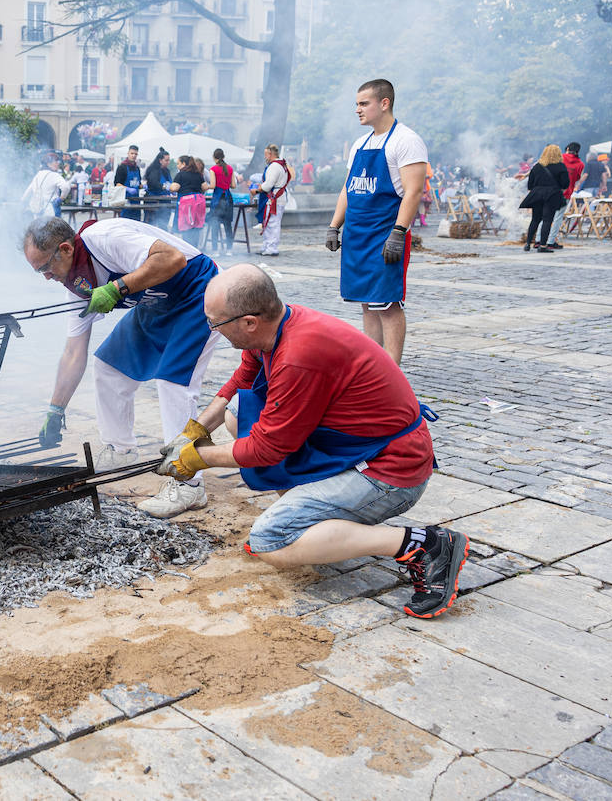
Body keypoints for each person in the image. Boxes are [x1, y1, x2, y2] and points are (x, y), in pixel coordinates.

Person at [153, 264, 467, 619]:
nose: (211, 328)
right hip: (355, 445)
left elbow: (266, 449)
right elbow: (242, 379)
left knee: (270, 541)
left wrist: (197, 459)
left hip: (390, 470)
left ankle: (425, 545)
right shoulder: (278, 327)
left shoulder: (298, 356)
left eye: (215, 322)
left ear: (249, 322)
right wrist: (193, 430)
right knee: (237, 414)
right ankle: (316, 525)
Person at [24, 216, 219, 518]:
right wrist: (55, 409)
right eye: (38, 272)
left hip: (197, 292)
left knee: (173, 383)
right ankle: (121, 452)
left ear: (64, 249)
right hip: (156, 305)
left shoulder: (105, 237)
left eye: (45, 268)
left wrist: (117, 287)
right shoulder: (76, 287)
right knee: (108, 367)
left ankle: (188, 483)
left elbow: (172, 258)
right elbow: (74, 352)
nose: (46, 276)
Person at [325, 78, 428, 365]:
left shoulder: (406, 140)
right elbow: (349, 187)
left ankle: (391, 369)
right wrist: (335, 225)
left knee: (388, 304)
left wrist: (398, 232)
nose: (357, 109)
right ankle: (373, 366)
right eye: (356, 104)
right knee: (367, 303)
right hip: (358, 234)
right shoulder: (360, 143)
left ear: (384, 103)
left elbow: (414, 191)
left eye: (363, 103)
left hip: (385, 233)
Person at [520, 145, 569, 252]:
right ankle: (542, 246)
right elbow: (565, 184)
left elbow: (530, 185)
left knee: (535, 220)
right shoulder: (560, 167)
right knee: (547, 220)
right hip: (552, 195)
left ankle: (528, 244)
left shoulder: (537, 167)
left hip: (537, 194)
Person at [547, 142, 585, 248]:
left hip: (552, 191)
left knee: (546, 216)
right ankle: (551, 241)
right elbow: (577, 178)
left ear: (567, 148)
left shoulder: (560, 158)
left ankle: (539, 240)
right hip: (566, 193)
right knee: (558, 218)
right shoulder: (580, 164)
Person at [257, 144, 290, 256]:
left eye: (266, 154)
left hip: (275, 197)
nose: (265, 157)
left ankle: (271, 247)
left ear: (270, 154)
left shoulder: (274, 166)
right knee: (270, 222)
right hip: (278, 196)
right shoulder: (281, 165)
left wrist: (258, 189)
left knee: (272, 223)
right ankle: (267, 245)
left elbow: (268, 185)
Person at [173, 154, 208, 249]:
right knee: (196, 227)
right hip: (197, 205)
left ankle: (186, 251)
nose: (177, 166)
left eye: (178, 163)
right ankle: (195, 249)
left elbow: (174, 187)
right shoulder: (198, 174)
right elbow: (205, 187)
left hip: (185, 205)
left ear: (184, 164)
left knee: (185, 228)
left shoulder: (180, 175)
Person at [208, 148, 237, 255]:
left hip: (218, 199)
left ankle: (215, 250)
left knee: (215, 224)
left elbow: (213, 185)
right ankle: (229, 250)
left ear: (214, 157)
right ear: (223, 157)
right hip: (228, 198)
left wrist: (205, 187)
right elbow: (233, 185)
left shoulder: (213, 169)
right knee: (227, 225)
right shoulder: (230, 168)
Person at [143, 148, 179, 229]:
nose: (168, 162)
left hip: (165, 201)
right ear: (160, 160)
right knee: (151, 226)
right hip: (153, 201)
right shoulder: (153, 170)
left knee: (163, 225)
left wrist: (171, 189)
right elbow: (153, 183)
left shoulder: (166, 171)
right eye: (166, 160)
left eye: (169, 160)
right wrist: (164, 187)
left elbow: (170, 182)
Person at [112, 145, 143, 211]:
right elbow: (117, 184)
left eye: (135, 154)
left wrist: (143, 186)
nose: (133, 155)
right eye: (132, 153)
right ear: (128, 153)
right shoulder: (122, 167)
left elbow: (139, 184)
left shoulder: (137, 168)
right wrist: (128, 189)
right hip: (125, 200)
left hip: (136, 200)